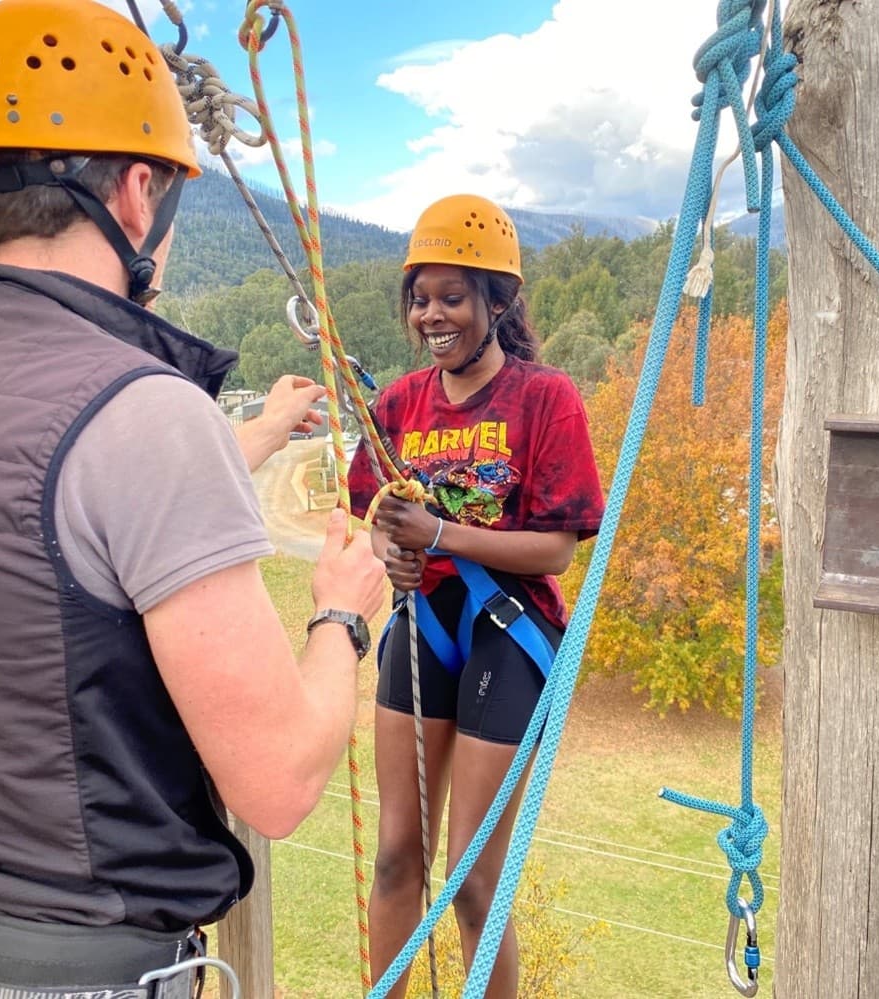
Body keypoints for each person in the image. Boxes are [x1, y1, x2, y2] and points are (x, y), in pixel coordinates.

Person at [0, 1, 385, 996]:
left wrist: (243, 439)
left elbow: (51, 522)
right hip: (60, 970)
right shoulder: (145, 415)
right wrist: (343, 614)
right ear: (135, 191)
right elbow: (278, 781)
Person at [348, 194, 606, 997]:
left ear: (496, 302)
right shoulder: (396, 405)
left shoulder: (543, 398)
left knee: (470, 879)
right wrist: (391, 550)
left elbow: (557, 548)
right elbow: (378, 517)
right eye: (420, 298)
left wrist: (438, 536)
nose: (432, 314)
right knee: (395, 855)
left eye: (452, 297)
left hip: (509, 629)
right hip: (422, 621)